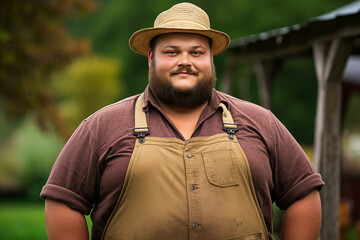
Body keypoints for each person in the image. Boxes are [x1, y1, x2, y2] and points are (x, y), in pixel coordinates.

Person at [41, 2, 324, 240]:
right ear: (151, 58)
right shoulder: (102, 126)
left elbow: (302, 193)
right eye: (172, 52)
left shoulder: (260, 121)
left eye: (196, 52)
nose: (184, 61)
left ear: (211, 58)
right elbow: (64, 200)